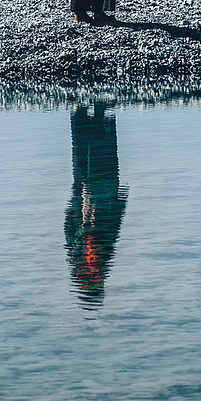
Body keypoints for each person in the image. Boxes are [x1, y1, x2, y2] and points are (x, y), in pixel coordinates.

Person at [63, 103, 129, 304]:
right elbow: (113, 221)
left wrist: (76, 208)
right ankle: (94, 111)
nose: (88, 270)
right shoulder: (99, 251)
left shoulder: (77, 252)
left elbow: (69, 224)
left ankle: (81, 111)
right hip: (101, 196)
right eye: (91, 275)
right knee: (96, 156)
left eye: (85, 276)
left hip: (88, 197)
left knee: (83, 155)